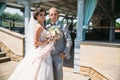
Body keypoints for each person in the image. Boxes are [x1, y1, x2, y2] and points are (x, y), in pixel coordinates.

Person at [8, 8, 54, 80]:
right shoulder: (38, 27)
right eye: (41, 15)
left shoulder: (41, 25)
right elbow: (35, 43)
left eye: (44, 15)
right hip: (40, 50)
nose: (43, 16)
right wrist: (47, 41)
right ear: (36, 16)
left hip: (44, 49)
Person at [46, 7, 72, 80]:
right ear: (49, 16)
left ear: (58, 15)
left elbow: (69, 40)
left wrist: (64, 53)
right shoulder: (47, 27)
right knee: (50, 75)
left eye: (55, 14)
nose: (53, 16)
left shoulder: (64, 26)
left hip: (58, 55)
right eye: (51, 15)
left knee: (58, 76)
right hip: (48, 55)